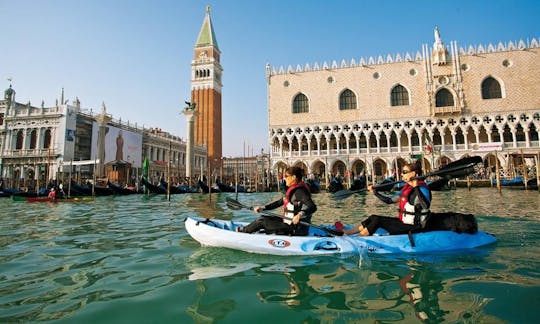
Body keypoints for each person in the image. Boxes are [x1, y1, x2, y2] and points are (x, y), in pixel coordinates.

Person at [344, 162, 432, 236]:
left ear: (413, 173)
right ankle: (348, 233)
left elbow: (425, 205)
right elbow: (389, 201)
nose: (402, 174)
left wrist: (416, 186)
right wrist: (375, 193)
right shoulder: (406, 189)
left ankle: (358, 238)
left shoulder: (422, 188)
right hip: (404, 223)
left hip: (415, 226)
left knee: (378, 221)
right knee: (373, 217)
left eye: (404, 172)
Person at [237, 166, 317, 236]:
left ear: (294, 177)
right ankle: (253, 230)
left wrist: (300, 214)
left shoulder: (300, 191)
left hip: (296, 228)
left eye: (286, 176)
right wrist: (263, 208)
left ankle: (242, 232)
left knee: (262, 221)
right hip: (288, 222)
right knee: (264, 217)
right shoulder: (292, 191)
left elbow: (312, 207)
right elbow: (279, 203)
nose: (284, 178)